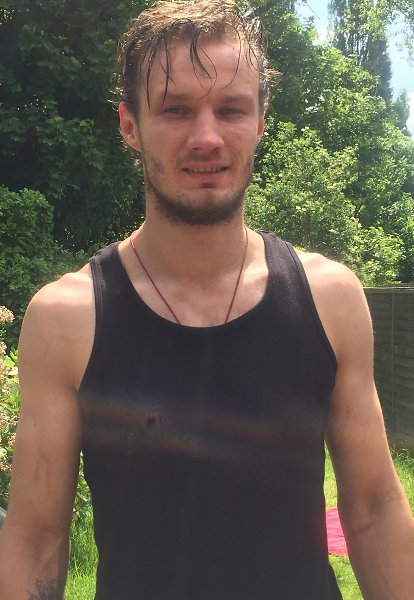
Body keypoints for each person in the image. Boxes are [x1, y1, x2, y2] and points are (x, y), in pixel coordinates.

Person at [0, 1, 414, 598]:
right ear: (130, 126)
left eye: (231, 109)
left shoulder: (330, 300)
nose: (206, 137)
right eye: (176, 110)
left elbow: (374, 509)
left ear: (261, 120)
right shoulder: (68, 319)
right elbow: (36, 539)